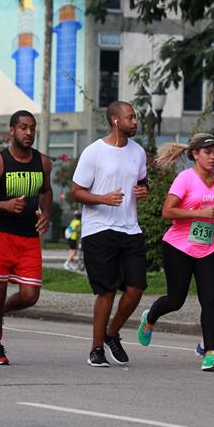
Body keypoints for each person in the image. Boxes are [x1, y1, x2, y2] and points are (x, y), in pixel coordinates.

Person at [137, 133, 214, 371]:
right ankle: (150, 317)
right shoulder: (185, 179)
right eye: (207, 153)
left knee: (209, 300)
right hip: (178, 247)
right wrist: (199, 214)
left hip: (207, 248)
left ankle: (209, 352)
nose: (213, 157)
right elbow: (168, 212)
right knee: (175, 300)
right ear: (195, 154)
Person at [71, 101, 149, 367]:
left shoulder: (138, 152)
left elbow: (141, 182)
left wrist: (143, 190)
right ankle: (96, 349)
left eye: (135, 117)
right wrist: (103, 198)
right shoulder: (94, 152)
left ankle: (111, 333)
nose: (135, 121)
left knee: (136, 289)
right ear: (116, 120)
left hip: (130, 228)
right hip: (99, 229)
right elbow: (77, 191)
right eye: (130, 117)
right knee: (106, 292)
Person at [0, 110, 53, 365]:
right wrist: (4, 206)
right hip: (1, 236)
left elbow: (47, 190)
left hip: (29, 237)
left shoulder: (43, 162)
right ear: (12, 131)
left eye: (32, 128)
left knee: (30, 296)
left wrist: (47, 213)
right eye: (23, 127)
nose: (28, 132)